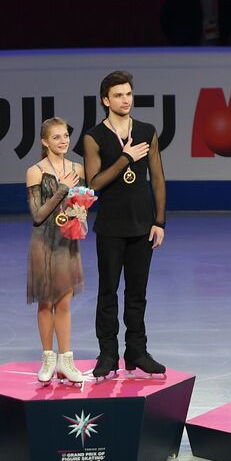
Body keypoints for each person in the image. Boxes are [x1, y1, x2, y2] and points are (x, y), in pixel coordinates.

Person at [84, 69, 168, 378]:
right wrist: (125, 158)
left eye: (128, 94)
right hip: (110, 227)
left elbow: (157, 177)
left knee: (137, 292)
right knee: (108, 292)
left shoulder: (147, 130)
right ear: (106, 100)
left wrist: (159, 221)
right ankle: (108, 353)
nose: (125, 99)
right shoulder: (94, 137)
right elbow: (94, 184)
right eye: (118, 95)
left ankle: (136, 350)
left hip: (142, 225)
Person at [25, 117, 87, 384]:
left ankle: (66, 359)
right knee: (45, 302)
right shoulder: (35, 171)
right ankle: (48, 357)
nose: (63, 141)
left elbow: (81, 206)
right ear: (44, 141)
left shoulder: (78, 168)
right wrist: (62, 189)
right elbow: (38, 215)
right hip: (44, 242)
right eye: (56, 137)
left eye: (65, 136)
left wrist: (80, 214)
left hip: (67, 241)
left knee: (64, 302)